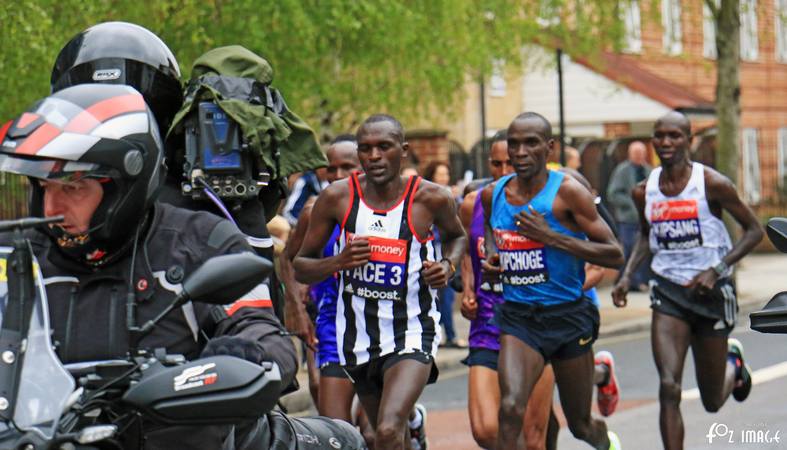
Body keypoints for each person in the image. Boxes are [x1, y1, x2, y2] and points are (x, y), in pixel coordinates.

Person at [0, 85, 364, 450]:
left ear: (122, 187)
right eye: (44, 187)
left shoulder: (200, 243)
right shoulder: (23, 259)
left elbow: (260, 331)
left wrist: (240, 357)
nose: (51, 208)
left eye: (72, 188)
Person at [294, 114, 467, 450]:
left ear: (403, 151)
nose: (373, 156)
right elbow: (302, 265)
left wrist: (447, 266)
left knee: (387, 430)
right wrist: (339, 261)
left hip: (412, 330)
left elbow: (456, 238)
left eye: (383, 147)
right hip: (357, 335)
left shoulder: (431, 198)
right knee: (385, 435)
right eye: (366, 149)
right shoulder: (337, 199)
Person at [612, 111, 764, 450]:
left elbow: (754, 231)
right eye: (659, 136)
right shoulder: (644, 191)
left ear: (689, 140)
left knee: (712, 400)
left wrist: (717, 269)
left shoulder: (712, 184)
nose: (665, 143)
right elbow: (645, 235)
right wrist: (625, 277)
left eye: (674, 136)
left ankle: (734, 369)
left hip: (711, 292)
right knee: (669, 386)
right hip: (668, 292)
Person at [481, 112, 624, 450]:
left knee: (580, 424)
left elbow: (614, 253)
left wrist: (552, 237)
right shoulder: (494, 194)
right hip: (519, 317)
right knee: (511, 408)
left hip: (568, 316)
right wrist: (493, 256)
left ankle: (606, 442)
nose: (520, 152)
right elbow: (492, 229)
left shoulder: (568, 193)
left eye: (531, 143)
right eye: (514, 144)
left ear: (549, 148)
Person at [283, 135, 427, 449]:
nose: (335, 175)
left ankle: (412, 422)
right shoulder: (315, 209)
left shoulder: (394, 207)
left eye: (345, 167)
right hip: (333, 323)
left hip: (387, 326)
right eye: (329, 168)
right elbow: (290, 260)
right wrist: (296, 306)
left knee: (379, 432)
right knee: (335, 433)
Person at [459, 131, 555, 450]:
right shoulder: (475, 202)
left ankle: (592, 375)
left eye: (509, 164)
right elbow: (465, 253)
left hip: (536, 326)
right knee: (487, 430)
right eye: (496, 164)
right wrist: (468, 290)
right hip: (487, 325)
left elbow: (589, 259)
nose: (503, 171)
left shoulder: (550, 202)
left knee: (532, 437)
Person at [423, 160, 466, 349]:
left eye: (445, 174)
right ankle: (440, 333)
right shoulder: (426, 196)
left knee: (446, 295)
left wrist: (456, 199)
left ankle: (449, 334)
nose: (443, 178)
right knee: (437, 295)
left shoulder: (452, 197)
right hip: (431, 251)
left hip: (447, 253)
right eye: (440, 174)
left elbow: (459, 227)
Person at [606, 141, 652, 292]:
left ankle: (636, 280)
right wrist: (630, 204)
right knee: (630, 248)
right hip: (628, 219)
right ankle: (633, 282)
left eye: (641, 153)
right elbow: (613, 193)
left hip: (645, 218)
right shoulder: (622, 171)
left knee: (644, 250)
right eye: (636, 153)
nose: (639, 156)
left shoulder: (648, 170)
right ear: (630, 154)